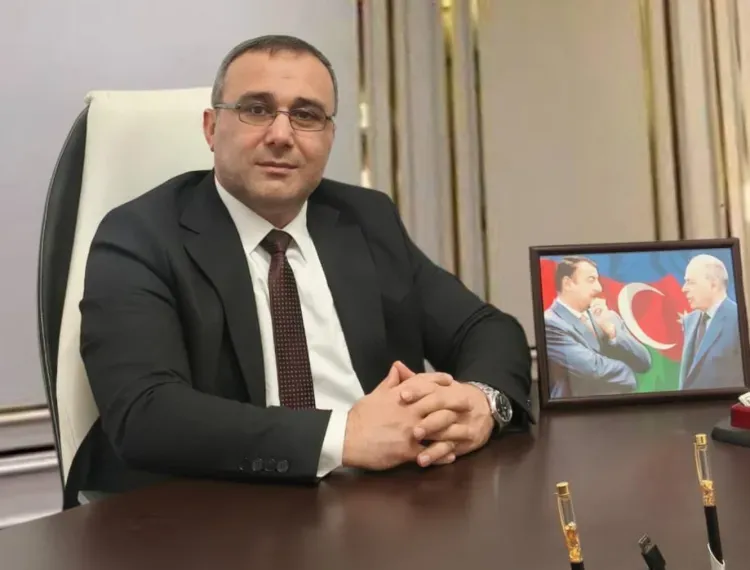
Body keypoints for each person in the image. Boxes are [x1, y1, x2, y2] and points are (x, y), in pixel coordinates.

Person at [74, 35, 532, 502]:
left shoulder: (364, 218)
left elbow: (484, 328)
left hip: (380, 499)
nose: (281, 135)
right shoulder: (139, 234)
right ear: (211, 128)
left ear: (329, 137)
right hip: (214, 507)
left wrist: (483, 401)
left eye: (306, 115)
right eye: (256, 109)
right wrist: (343, 436)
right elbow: (146, 413)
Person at [543, 256, 651, 398]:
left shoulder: (608, 317)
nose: (599, 287)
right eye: (591, 280)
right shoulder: (550, 323)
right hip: (577, 409)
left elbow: (644, 362)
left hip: (621, 407)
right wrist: (628, 372)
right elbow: (592, 369)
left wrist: (613, 334)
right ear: (568, 284)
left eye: (598, 280)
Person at [679, 254, 744, 390]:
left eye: (691, 282)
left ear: (713, 284)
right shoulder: (690, 320)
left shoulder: (739, 318)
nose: (684, 288)